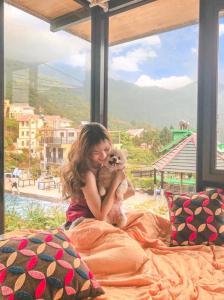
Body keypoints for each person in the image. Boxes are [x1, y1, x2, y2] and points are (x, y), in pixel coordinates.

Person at [61, 122, 134, 229]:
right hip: (82, 222)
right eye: (96, 152)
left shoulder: (108, 164)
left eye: (106, 149)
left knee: (144, 218)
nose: (104, 156)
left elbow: (131, 191)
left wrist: (106, 202)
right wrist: (115, 182)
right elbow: (100, 214)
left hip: (102, 218)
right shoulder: (87, 173)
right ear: (86, 153)